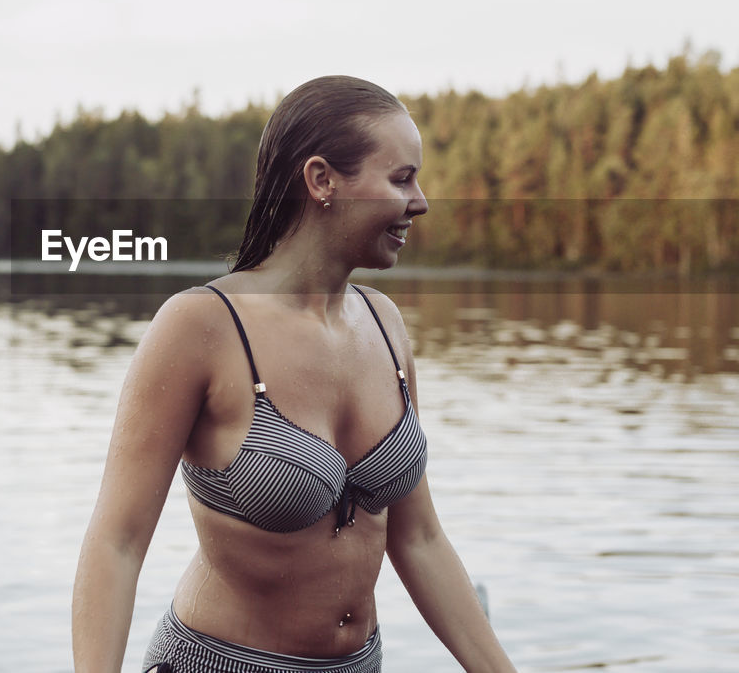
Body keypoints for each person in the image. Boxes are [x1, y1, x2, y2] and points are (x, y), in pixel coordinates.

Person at [72, 76, 516, 673]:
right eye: (401, 178)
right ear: (322, 180)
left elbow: (419, 540)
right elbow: (117, 543)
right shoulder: (201, 326)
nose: (421, 201)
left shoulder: (384, 325)